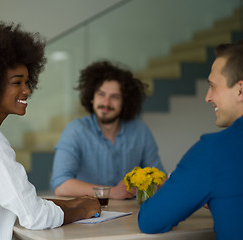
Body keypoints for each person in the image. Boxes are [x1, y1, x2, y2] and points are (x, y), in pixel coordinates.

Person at [0, 21, 100, 240]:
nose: (27, 90)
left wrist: (70, 203)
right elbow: (35, 216)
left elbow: (16, 201)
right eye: (17, 82)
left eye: (27, 81)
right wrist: (82, 211)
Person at [138, 40, 243, 240]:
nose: (208, 97)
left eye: (213, 86)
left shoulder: (214, 151)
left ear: (240, 90)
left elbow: (151, 220)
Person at [50, 60, 165, 200]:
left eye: (114, 97)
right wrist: (111, 192)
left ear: (125, 101)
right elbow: (61, 185)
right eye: (101, 94)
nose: (106, 103)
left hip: (132, 216)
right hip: (88, 215)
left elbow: (159, 178)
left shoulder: (140, 131)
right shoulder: (75, 130)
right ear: (92, 97)